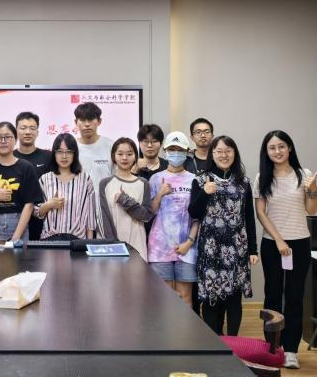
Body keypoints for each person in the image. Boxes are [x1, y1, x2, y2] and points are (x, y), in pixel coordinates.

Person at [254, 130, 317, 369]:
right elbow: (261, 213)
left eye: (282, 146)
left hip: (299, 243)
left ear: (289, 148)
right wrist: (279, 240)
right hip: (272, 244)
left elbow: (311, 210)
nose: (277, 151)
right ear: (266, 152)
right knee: (272, 295)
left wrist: (313, 190)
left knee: (294, 296)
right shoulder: (262, 177)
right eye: (272, 147)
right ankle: (273, 347)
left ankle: (291, 350)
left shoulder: (304, 174)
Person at [189, 135, 258, 336]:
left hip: (237, 248)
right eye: (219, 151)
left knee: (234, 298)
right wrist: (205, 193)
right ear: (212, 154)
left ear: (234, 153)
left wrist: (253, 250)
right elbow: (193, 213)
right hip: (210, 249)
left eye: (228, 151)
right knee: (211, 298)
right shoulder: (201, 179)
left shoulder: (243, 182)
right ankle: (215, 343)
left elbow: (249, 218)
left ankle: (233, 342)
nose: (224, 155)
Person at [148, 131, 198, 306]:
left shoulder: (194, 180)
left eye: (180, 149)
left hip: (187, 247)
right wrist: (160, 194)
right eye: (171, 149)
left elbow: (198, 216)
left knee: (185, 297)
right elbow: (149, 213)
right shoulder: (155, 179)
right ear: (165, 151)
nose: (175, 153)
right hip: (160, 248)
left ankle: (185, 327)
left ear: (187, 152)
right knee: (165, 298)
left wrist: (189, 242)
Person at [0, 122, 43, 241]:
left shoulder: (26, 167)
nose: (3, 141)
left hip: (18, 224)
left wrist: (17, 235)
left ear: (15, 140)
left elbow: (30, 204)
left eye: (7, 137)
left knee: (19, 254)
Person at [99, 137, 153, 260]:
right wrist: (114, 245)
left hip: (137, 244)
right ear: (114, 156)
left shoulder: (143, 183)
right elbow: (104, 218)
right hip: (112, 247)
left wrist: (125, 200)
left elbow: (146, 216)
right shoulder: (105, 183)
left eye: (129, 154)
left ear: (135, 157)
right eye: (120, 154)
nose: (124, 158)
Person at [36, 133, 95, 240]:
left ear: (74, 154)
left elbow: (90, 215)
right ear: (54, 154)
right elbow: (36, 211)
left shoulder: (85, 179)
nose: (64, 156)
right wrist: (49, 204)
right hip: (50, 239)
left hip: (77, 239)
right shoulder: (45, 179)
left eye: (69, 152)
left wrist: (89, 242)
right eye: (59, 152)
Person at [74, 102, 113, 237]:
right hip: (77, 210)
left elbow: (117, 178)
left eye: (91, 119)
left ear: (99, 121)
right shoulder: (71, 148)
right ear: (76, 122)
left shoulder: (110, 146)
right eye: (82, 120)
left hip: (106, 209)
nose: (87, 124)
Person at [14, 111, 52, 240]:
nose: (28, 132)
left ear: (37, 132)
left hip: (43, 217)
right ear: (16, 131)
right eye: (23, 128)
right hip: (16, 218)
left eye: (32, 128)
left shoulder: (48, 157)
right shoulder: (9, 157)